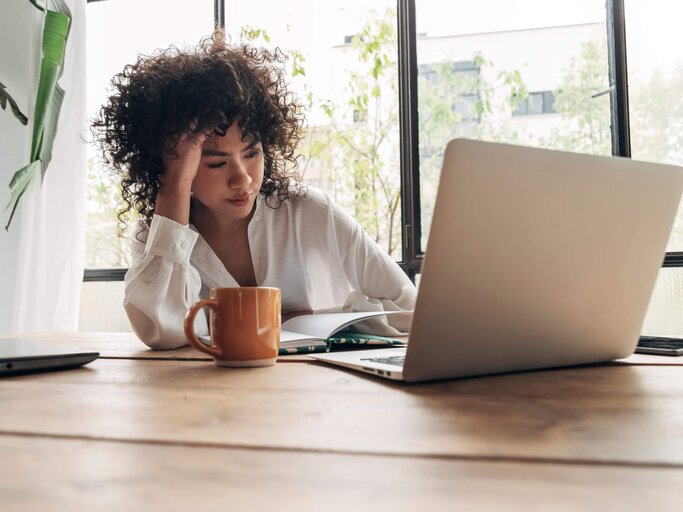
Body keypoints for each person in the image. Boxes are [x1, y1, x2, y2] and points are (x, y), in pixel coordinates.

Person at [92, 32, 416, 350]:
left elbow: (409, 308)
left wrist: (301, 319)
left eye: (252, 154)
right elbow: (161, 332)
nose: (243, 180)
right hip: (200, 397)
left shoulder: (310, 212)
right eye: (217, 164)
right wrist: (174, 183)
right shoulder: (156, 237)